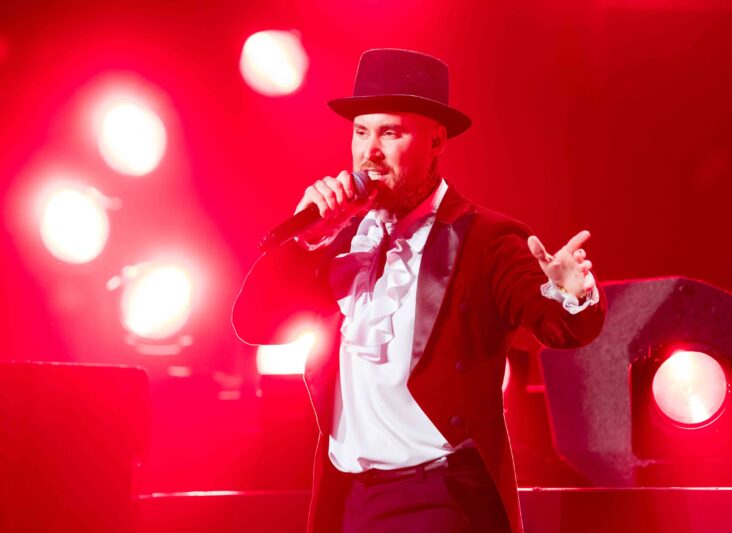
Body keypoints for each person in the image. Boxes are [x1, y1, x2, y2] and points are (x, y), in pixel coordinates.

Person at [232, 48, 606, 533]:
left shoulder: (485, 239)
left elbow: (559, 327)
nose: (370, 151)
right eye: (361, 132)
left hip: (440, 499)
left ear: (435, 140)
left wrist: (570, 293)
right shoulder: (339, 239)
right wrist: (305, 240)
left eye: (390, 133)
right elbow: (254, 323)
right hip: (348, 499)